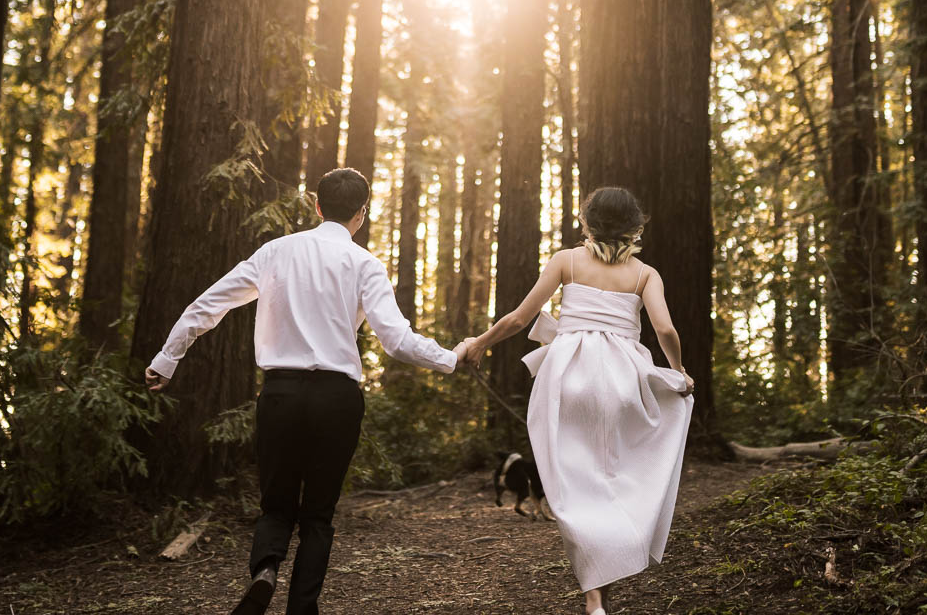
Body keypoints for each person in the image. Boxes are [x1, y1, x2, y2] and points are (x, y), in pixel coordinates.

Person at [144, 167, 469, 615]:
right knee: (318, 512)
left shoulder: (275, 252)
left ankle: (265, 571)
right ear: (361, 214)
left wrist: (167, 358)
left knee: (276, 504)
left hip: (280, 395)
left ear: (317, 206)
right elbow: (396, 340)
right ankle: (303, 608)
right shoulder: (365, 264)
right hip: (337, 400)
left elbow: (208, 305)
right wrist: (451, 357)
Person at [457, 186, 693, 615]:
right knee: (618, 477)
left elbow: (519, 318)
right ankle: (609, 576)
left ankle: (593, 595)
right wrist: (678, 371)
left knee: (574, 485)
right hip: (622, 380)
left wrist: (480, 343)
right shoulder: (645, 274)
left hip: (567, 377)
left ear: (586, 223)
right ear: (637, 228)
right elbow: (666, 331)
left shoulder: (565, 261)